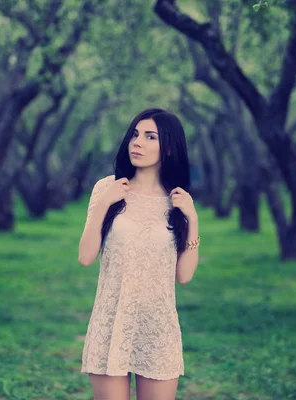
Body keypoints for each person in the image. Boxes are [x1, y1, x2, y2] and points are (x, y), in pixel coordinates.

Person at [78, 108, 200, 400]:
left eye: (150, 137)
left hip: (157, 328)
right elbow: (85, 257)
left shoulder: (178, 201)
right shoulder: (107, 188)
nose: (137, 142)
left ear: (169, 147)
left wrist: (193, 221)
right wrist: (103, 205)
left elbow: (183, 276)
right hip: (111, 321)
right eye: (135, 134)